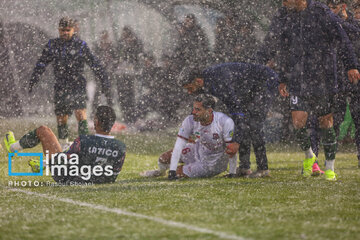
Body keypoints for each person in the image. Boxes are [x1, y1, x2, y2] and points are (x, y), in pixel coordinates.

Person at [257, 0, 360, 181]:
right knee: (298, 122)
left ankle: (330, 168)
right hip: (298, 77)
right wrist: (282, 77)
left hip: (323, 77)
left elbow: (341, 38)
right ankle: (309, 156)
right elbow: (281, 46)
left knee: (326, 122)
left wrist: (351, 65)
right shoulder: (285, 15)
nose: (284, 2)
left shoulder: (321, 12)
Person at [177, 63, 279, 178]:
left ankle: (263, 169)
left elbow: (236, 111)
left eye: (190, 88)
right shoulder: (206, 83)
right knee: (243, 123)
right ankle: (245, 168)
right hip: (250, 87)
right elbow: (201, 109)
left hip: (264, 82)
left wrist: (236, 141)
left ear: (199, 81)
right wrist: (190, 130)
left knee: (254, 125)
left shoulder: (220, 81)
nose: (189, 92)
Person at [28, 17, 112, 148]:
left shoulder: (80, 45)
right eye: (62, 30)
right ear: (58, 30)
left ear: (74, 30)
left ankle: (84, 144)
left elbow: (95, 64)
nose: (65, 33)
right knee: (62, 116)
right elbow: (42, 62)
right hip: (61, 84)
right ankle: (63, 143)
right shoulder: (52, 45)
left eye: (68, 30)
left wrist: (104, 81)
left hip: (77, 83)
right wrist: (34, 78)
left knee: (80, 112)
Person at [4, 106, 126, 184]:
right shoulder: (121, 147)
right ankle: (43, 164)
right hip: (100, 180)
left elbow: (61, 161)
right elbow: (113, 175)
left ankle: (13, 147)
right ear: (112, 124)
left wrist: (49, 162)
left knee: (43, 130)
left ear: (96, 122)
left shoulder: (83, 141)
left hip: (68, 178)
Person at [140, 94, 237, 179]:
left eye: (198, 109)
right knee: (164, 158)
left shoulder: (224, 121)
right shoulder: (190, 120)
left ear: (209, 111)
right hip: (197, 149)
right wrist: (171, 171)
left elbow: (232, 150)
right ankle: (160, 172)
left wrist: (232, 173)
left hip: (212, 163)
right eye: (193, 108)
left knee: (178, 172)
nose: (193, 112)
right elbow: (179, 144)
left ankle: (191, 168)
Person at [92, 30, 117, 117]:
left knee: (109, 93)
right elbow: (93, 59)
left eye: (106, 36)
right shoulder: (97, 46)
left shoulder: (111, 47)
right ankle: (94, 112)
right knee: (97, 93)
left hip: (109, 73)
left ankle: (111, 113)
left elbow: (115, 59)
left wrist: (111, 65)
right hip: (100, 73)